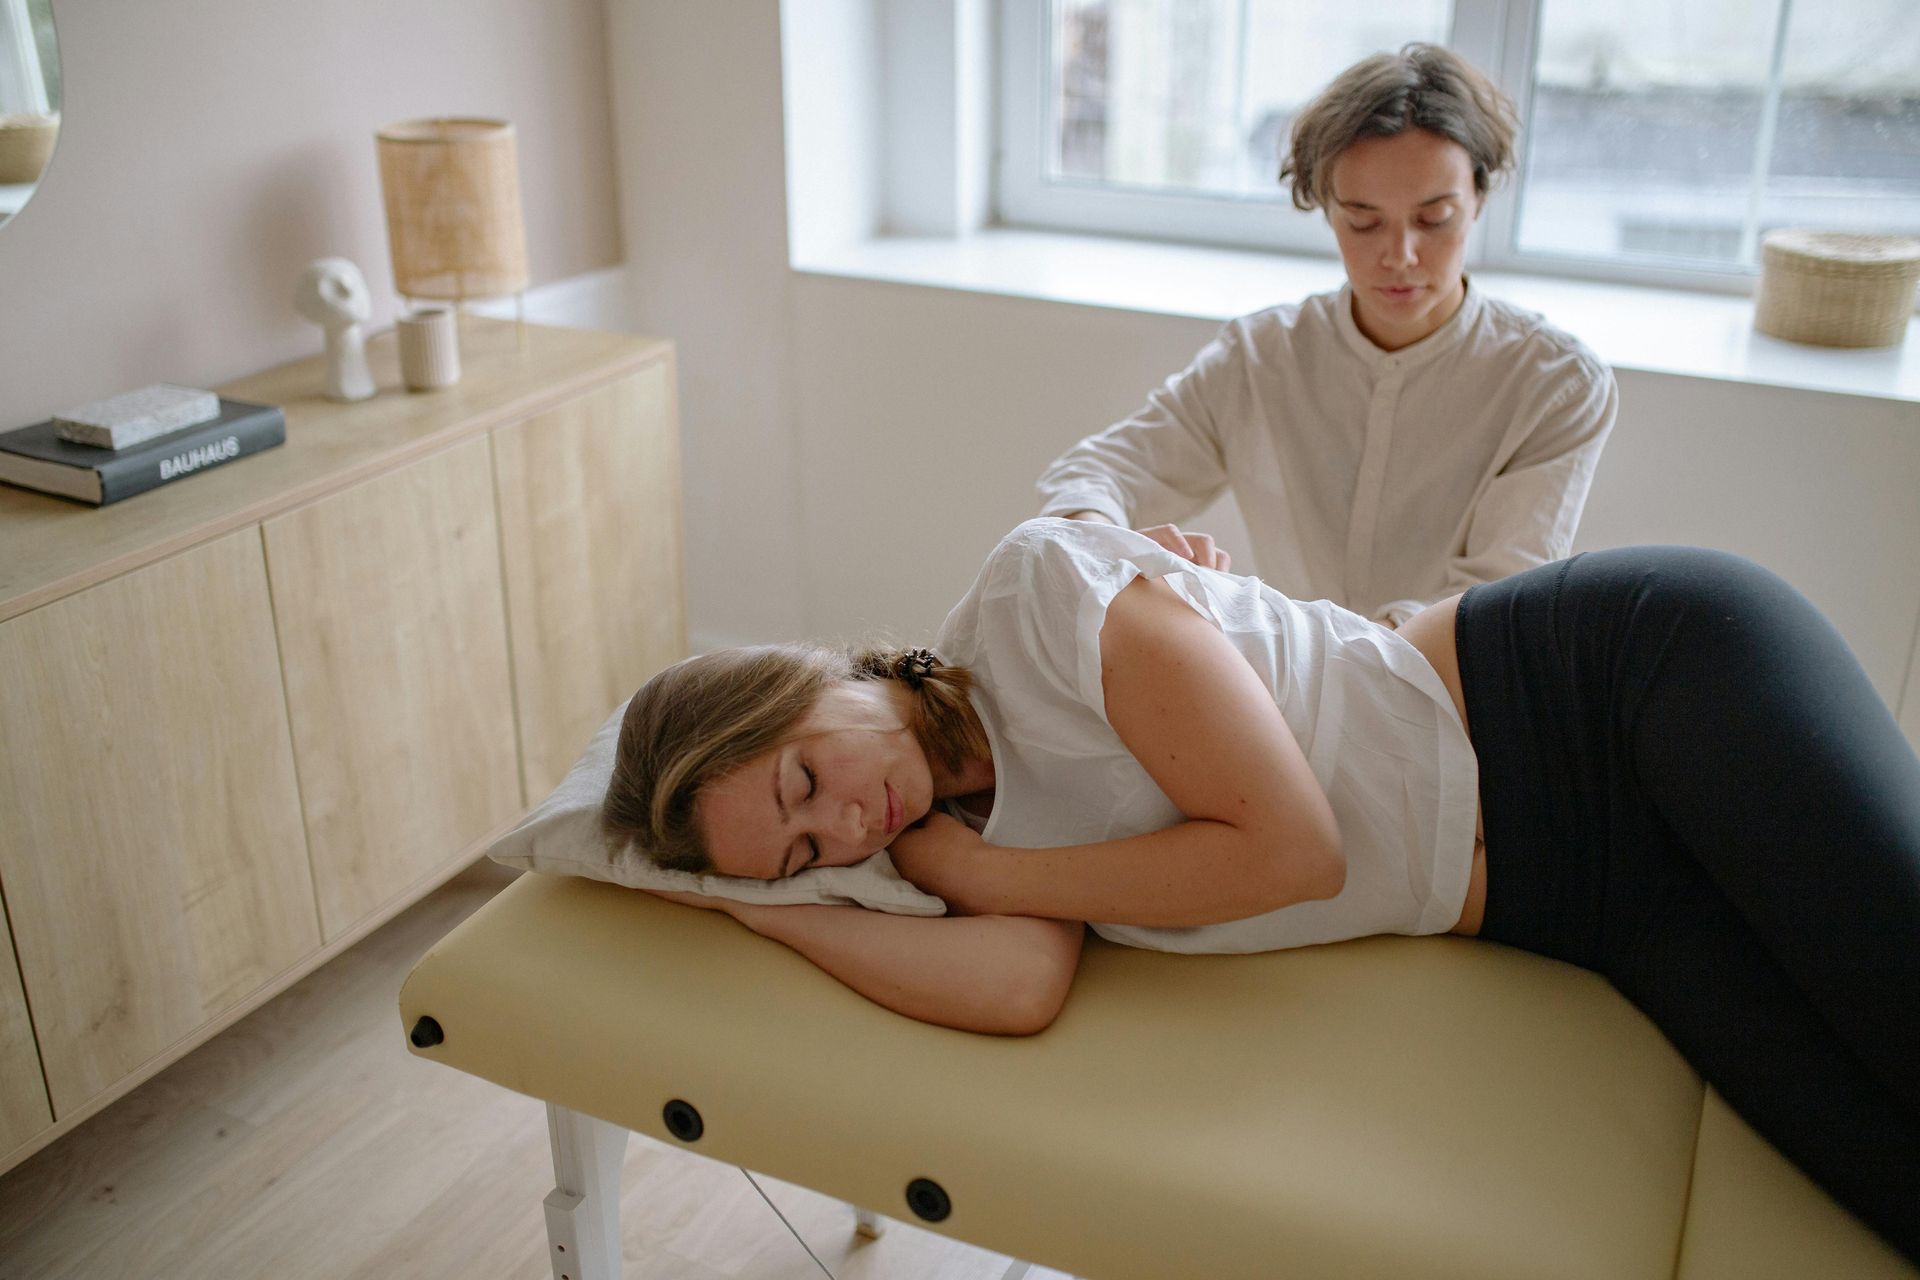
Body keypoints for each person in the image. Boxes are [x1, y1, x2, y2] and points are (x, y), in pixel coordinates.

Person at [602, 517, 1920, 1261]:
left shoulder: (1038, 602)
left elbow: (1294, 851)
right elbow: (1015, 990)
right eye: (805, 855)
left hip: (1619, 692)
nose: (845, 827)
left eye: (801, 784)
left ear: (807, 676)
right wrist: (747, 903)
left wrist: (988, 869)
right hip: (1591, 903)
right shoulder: (928, 838)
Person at [1036, 44, 1618, 628]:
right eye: (1363, 222)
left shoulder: (1557, 385)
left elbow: (1488, 605)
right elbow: (1098, 473)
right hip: (1281, 684)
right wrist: (1110, 547)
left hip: (1447, 699)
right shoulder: (1261, 357)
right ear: (1325, 208)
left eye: (1434, 219)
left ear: (1479, 199)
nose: (1400, 256)